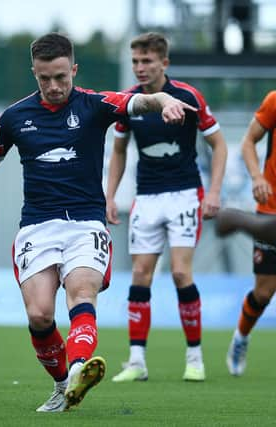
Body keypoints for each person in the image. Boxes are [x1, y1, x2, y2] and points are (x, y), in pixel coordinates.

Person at [0, 32, 196, 412]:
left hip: (86, 223)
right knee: (40, 315)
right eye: (44, 79)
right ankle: (62, 385)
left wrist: (166, 99)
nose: (54, 86)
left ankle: (77, 370)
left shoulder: (95, 105)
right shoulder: (14, 118)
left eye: (60, 77)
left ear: (73, 69)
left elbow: (141, 100)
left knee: (81, 293)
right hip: (37, 226)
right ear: (34, 74)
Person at [105, 32, 227, 383]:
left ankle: (195, 358)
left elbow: (219, 145)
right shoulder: (128, 102)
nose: (140, 68)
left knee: (179, 273)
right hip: (147, 197)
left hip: (186, 194)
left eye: (147, 61)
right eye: (135, 62)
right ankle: (136, 361)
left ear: (164, 63)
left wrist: (215, 192)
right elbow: (118, 151)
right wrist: (111, 196)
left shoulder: (188, 96)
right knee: (141, 274)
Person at [221, 90, 276, 376]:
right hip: (271, 212)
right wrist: (257, 177)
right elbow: (248, 142)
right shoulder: (274, 100)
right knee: (264, 293)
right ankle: (241, 338)